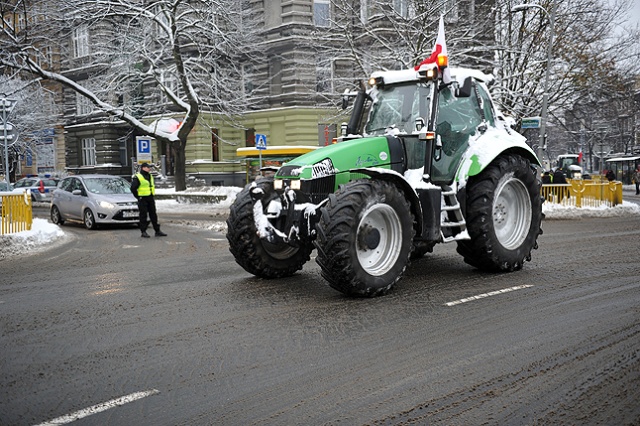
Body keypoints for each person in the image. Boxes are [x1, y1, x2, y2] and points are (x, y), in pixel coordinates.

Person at [131, 163, 167, 238]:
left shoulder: (150, 176)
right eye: (148, 167)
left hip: (150, 197)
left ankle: (157, 230)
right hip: (142, 198)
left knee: (153, 214)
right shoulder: (138, 177)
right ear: (143, 168)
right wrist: (138, 196)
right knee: (143, 215)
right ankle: (143, 231)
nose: (149, 168)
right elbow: (133, 188)